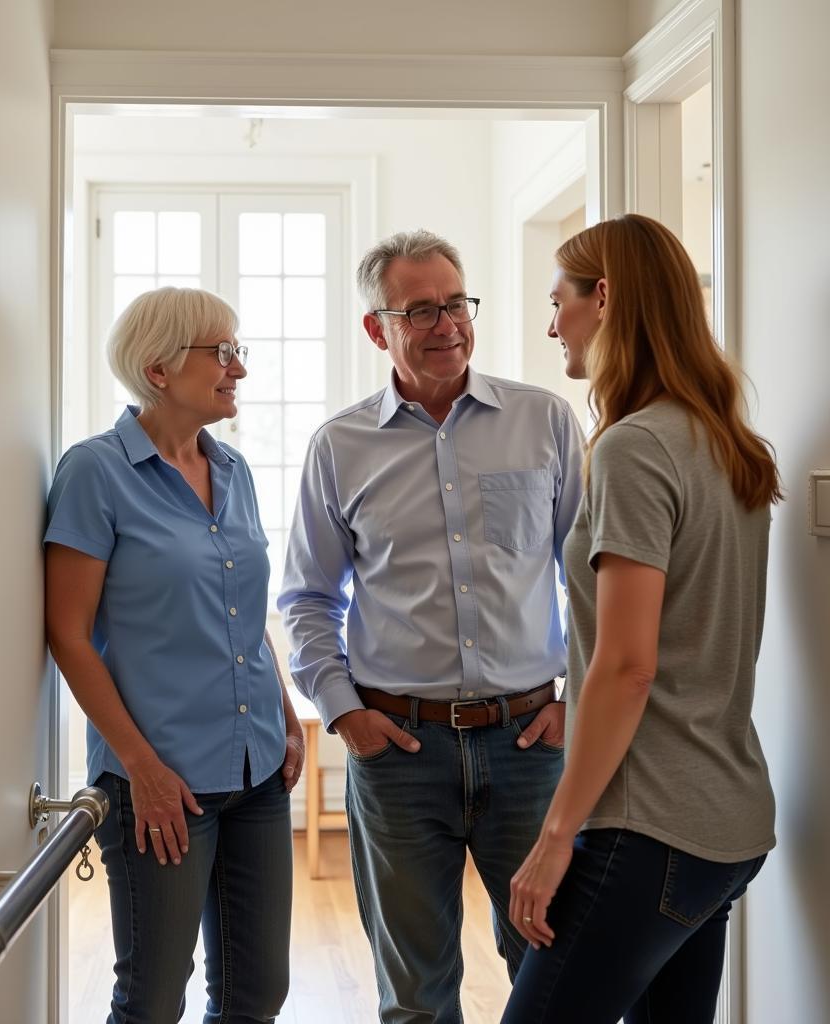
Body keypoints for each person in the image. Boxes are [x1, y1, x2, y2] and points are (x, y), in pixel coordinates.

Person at [278, 229, 585, 1022]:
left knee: (555, 974)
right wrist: (345, 714)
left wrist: (571, 705)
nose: (448, 324)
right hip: (400, 754)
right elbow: (307, 598)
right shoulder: (339, 447)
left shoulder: (544, 421)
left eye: (456, 303)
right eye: (421, 311)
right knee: (415, 996)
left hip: (530, 746)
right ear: (378, 328)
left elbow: (591, 582)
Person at [503, 214, 781, 1024]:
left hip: (647, 824)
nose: (552, 323)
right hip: (728, 824)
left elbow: (626, 667)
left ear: (606, 297)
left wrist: (556, 839)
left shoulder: (633, 447)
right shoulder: (725, 440)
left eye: (559, 301)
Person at [44, 287, 304, 1024]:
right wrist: (141, 768)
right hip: (161, 781)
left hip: (255, 771)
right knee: (153, 999)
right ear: (158, 370)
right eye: (221, 353)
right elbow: (68, 633)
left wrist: (284, 717)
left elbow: (244, 619)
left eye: (237, 351)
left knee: (258, 994)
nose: (238, 370)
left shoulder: (237, 472)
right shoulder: (95, 472)